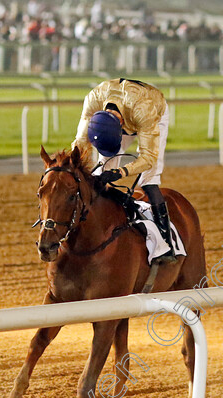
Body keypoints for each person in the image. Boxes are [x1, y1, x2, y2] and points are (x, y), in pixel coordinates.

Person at [70, 77, 177, 265]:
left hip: (154, 115)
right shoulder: (93, 101)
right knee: (100, 173)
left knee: (149, 181)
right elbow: (80, 144)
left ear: (120, 128)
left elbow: (148, 158)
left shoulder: (145, 111)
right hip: (123, 112)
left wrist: (121, 172)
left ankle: (166, 243)